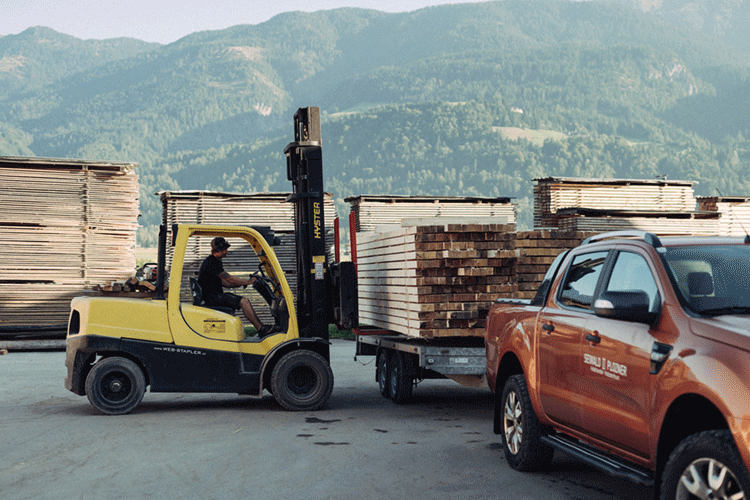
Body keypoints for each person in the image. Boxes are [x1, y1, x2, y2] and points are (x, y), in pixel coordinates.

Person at [197, 236, 275, 337]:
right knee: (244, 301)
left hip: (214, 296)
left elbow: (226, 283)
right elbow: (230, 279)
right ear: (215, 250)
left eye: (226, 249)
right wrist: (249, 281)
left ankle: (261, 328)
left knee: (242, 300)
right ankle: (261, 329)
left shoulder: (214, 261)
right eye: (223, 250)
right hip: (213, 298)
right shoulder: (212, 262)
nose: (226, 252)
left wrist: (240, 284)